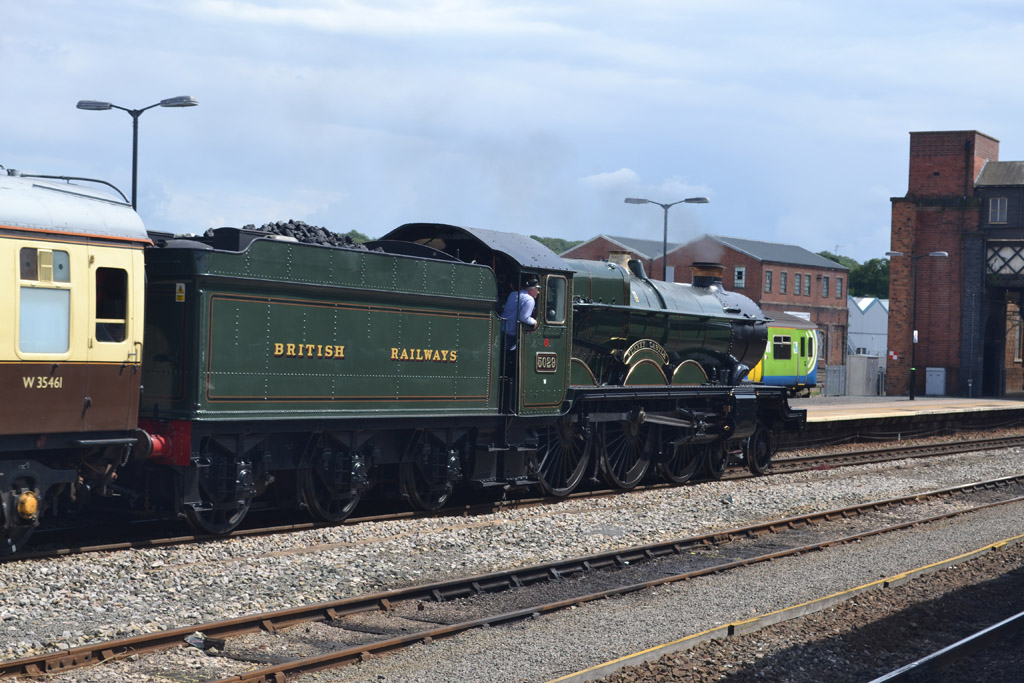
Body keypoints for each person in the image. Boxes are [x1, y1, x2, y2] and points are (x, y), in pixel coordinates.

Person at [501, 277, 540, 350]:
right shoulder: (530, 299)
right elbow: (523, 317)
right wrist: (534, 321)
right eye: (537, 289)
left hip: (502, 328)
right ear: (532, 289)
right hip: (511, 333)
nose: (538, 292)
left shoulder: (513, 294)